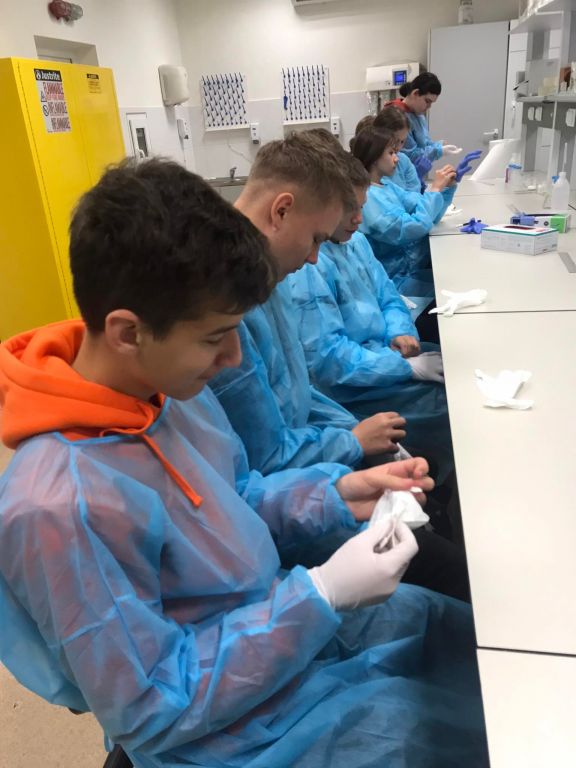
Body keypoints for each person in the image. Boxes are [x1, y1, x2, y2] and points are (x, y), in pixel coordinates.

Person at [0, 158, 489, 768]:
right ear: (127, 332)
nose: (233, 358)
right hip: (230, 730)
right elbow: (151, 707)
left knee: (472, 646)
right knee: (470, 733)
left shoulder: (162, 394)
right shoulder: (59, 505)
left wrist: (336, 495)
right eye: (214, 337)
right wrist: (320, 594)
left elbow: (236, 497)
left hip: (277, 632)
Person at [210, 132, 407, 475]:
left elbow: (298, 393)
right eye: (316, 239)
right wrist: (352, 443)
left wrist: (352, 432)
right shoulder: (223, 303)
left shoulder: (270, 275)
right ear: (281, 211)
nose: (315, 258)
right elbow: (265, 457)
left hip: (302, 453)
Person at [289, 152, 455, 488]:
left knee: (455, 369)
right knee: (453, 411)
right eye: (350, 209)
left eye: (362, 207)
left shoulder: (357, 243)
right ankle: (447, 496)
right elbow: (330, 362)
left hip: (385, 357)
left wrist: (400, 332)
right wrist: (404, 368)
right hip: (358, 389)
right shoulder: (309, 268)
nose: (359, 218)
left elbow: (388, 296)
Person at [353, 125, 456, 299]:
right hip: (393, 282)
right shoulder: (368, 197)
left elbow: (429, 213)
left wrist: (446, 189)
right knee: (446, 294)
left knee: (453, 281)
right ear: (374, 157)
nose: (397, 158)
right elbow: (412, 228)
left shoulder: (386, 185)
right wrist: (434, 190)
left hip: (409, 270)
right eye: (391, 153)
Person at [386, 72, 460, 184]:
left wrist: (438, 145)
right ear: (415, 93)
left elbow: (424, 143)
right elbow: (409, 155)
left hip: (415, 178)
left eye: (432, 103)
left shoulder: (418, 115)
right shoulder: (397, 116)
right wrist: (438, 150)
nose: (429, 107)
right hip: (401, 180)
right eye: (427, 101)